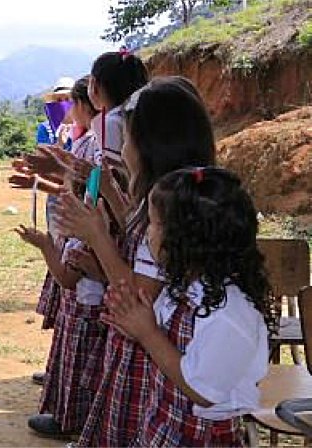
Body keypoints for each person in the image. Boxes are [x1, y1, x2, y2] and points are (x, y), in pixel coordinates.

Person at [52, 76, 218, 447]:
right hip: (160, 355)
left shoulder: (169, 208)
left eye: (127, 139)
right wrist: (109, 190)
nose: (123, 149)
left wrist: (96, 236)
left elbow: (138, 293)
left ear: (149, 145)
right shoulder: (185, 193)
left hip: (155, 360)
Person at [104, 167, 276, 446]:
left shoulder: (230, 312)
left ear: (187, 237)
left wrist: (147, 334)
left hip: (200, 437)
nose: (148, 232)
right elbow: (167, 342)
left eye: (155, 223)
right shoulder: (186, 288)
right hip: (166, 427)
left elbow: (202, 391)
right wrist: (134, 323)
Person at [14, 76, 110, 437]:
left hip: (82, 244)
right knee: (71, 334)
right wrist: (41, 180)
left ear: (89, 104)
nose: (67, 110)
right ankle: (69, 413)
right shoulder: (88, 142)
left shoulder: (95, 146)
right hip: (77, 240)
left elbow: (89, 187)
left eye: (71, 103)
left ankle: (75, 420)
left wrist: (50, 178)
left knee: (80, 338)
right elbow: (79, 184)